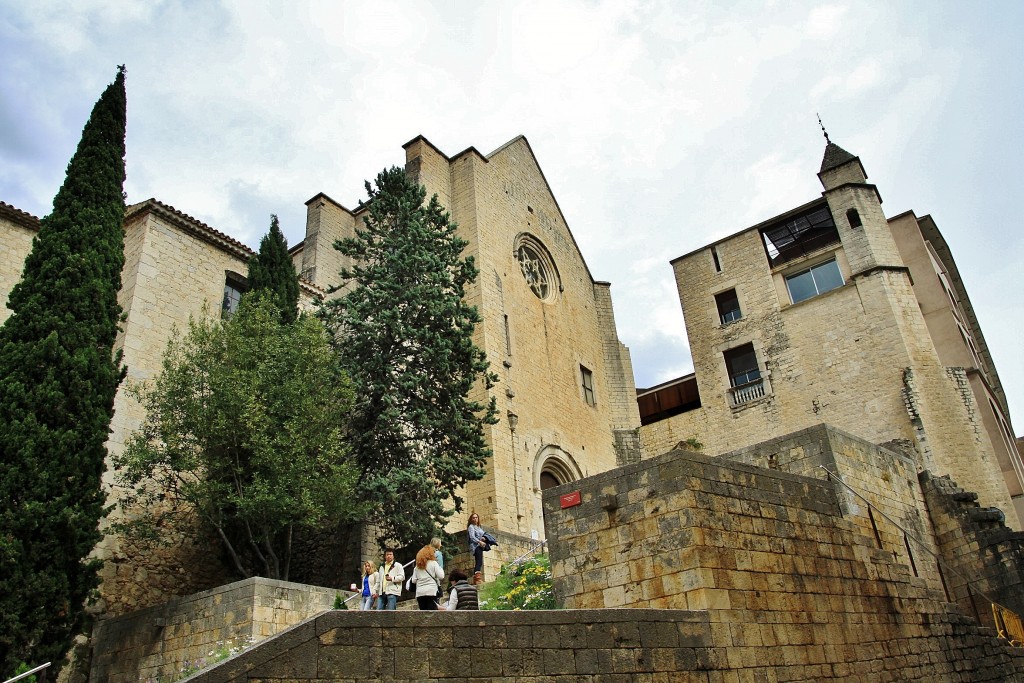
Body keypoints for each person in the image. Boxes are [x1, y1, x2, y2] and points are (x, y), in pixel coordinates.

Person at [410, 544, 445, 610]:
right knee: (432, 614)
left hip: (420, 593)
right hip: (431, 591)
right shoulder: (433, 563)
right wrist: (440, 568)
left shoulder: (417, 567)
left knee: (423, 614)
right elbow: (441, 576)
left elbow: (413, 580)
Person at [467, 511, 487, 576]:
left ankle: (476, 576)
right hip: (475, 546)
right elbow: (472, 537)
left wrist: (483, 538)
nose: (475, 519)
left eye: (476, 517)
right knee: (479, 562)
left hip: (480, 546)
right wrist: (479, 541)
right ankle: (476, 577)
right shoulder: (471, 527)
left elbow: (482, 534)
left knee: (479, 562)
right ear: (471, 519)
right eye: (473, 518)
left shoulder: (479, 527)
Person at [431, 537, 444, 601]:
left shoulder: (428, 553)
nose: (441, 545)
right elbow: (440, 567)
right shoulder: (438, 554)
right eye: (440, 543)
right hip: (435, 578)